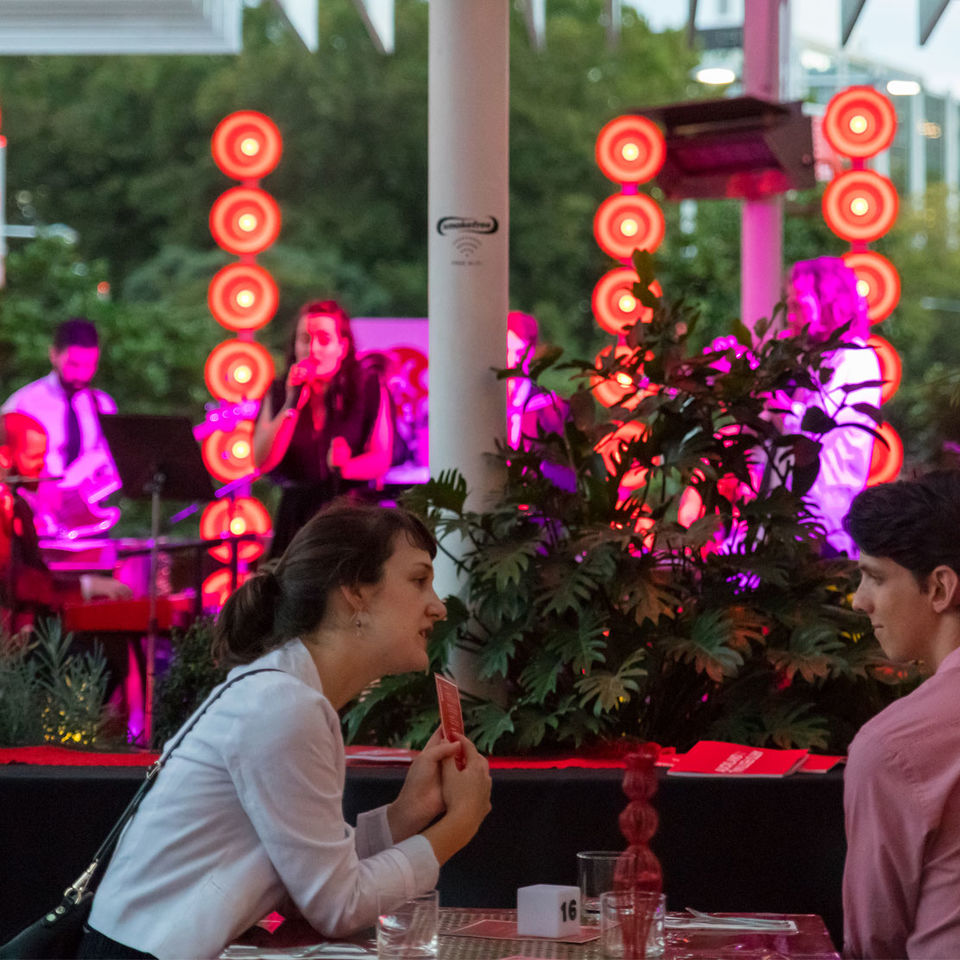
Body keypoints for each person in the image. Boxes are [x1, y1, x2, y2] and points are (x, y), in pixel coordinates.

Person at [79, 500, 492, 960]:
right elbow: (338, 906)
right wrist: (459, 824)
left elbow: (308, 883)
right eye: (419, 580)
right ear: (354, 590)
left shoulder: (287, 694)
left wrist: (407, 813)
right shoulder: (285, 705)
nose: (437, 606)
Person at [841, 471, 960, 959]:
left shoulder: (894, 746)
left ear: (939, 588)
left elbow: (873, 942)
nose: (859, 600)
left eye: (875, 576)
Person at [253, 300, 393, 558]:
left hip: (350, 514)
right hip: (295, 518)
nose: (312, 349)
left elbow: (381, 457)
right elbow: (262, 460)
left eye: (324, 339)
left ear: (343, 346)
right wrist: (291, 404)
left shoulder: (368, 386)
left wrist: (346, 465)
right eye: (304, 339)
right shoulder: (280, 391)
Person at [0, 411, 129, 629]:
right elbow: (13, 581)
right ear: (4, 457)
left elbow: (36, 575)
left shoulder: (19, 506)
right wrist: (87, 586)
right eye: (34, 457)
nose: (42, 466)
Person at [1, 317, 120, 538]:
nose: (81, 375)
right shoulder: (25, 403)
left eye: (89, 366)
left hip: (87, 524)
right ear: (53, 354)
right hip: (32, 526)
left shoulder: (102, 405)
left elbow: (113, 466)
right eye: (73, 365)